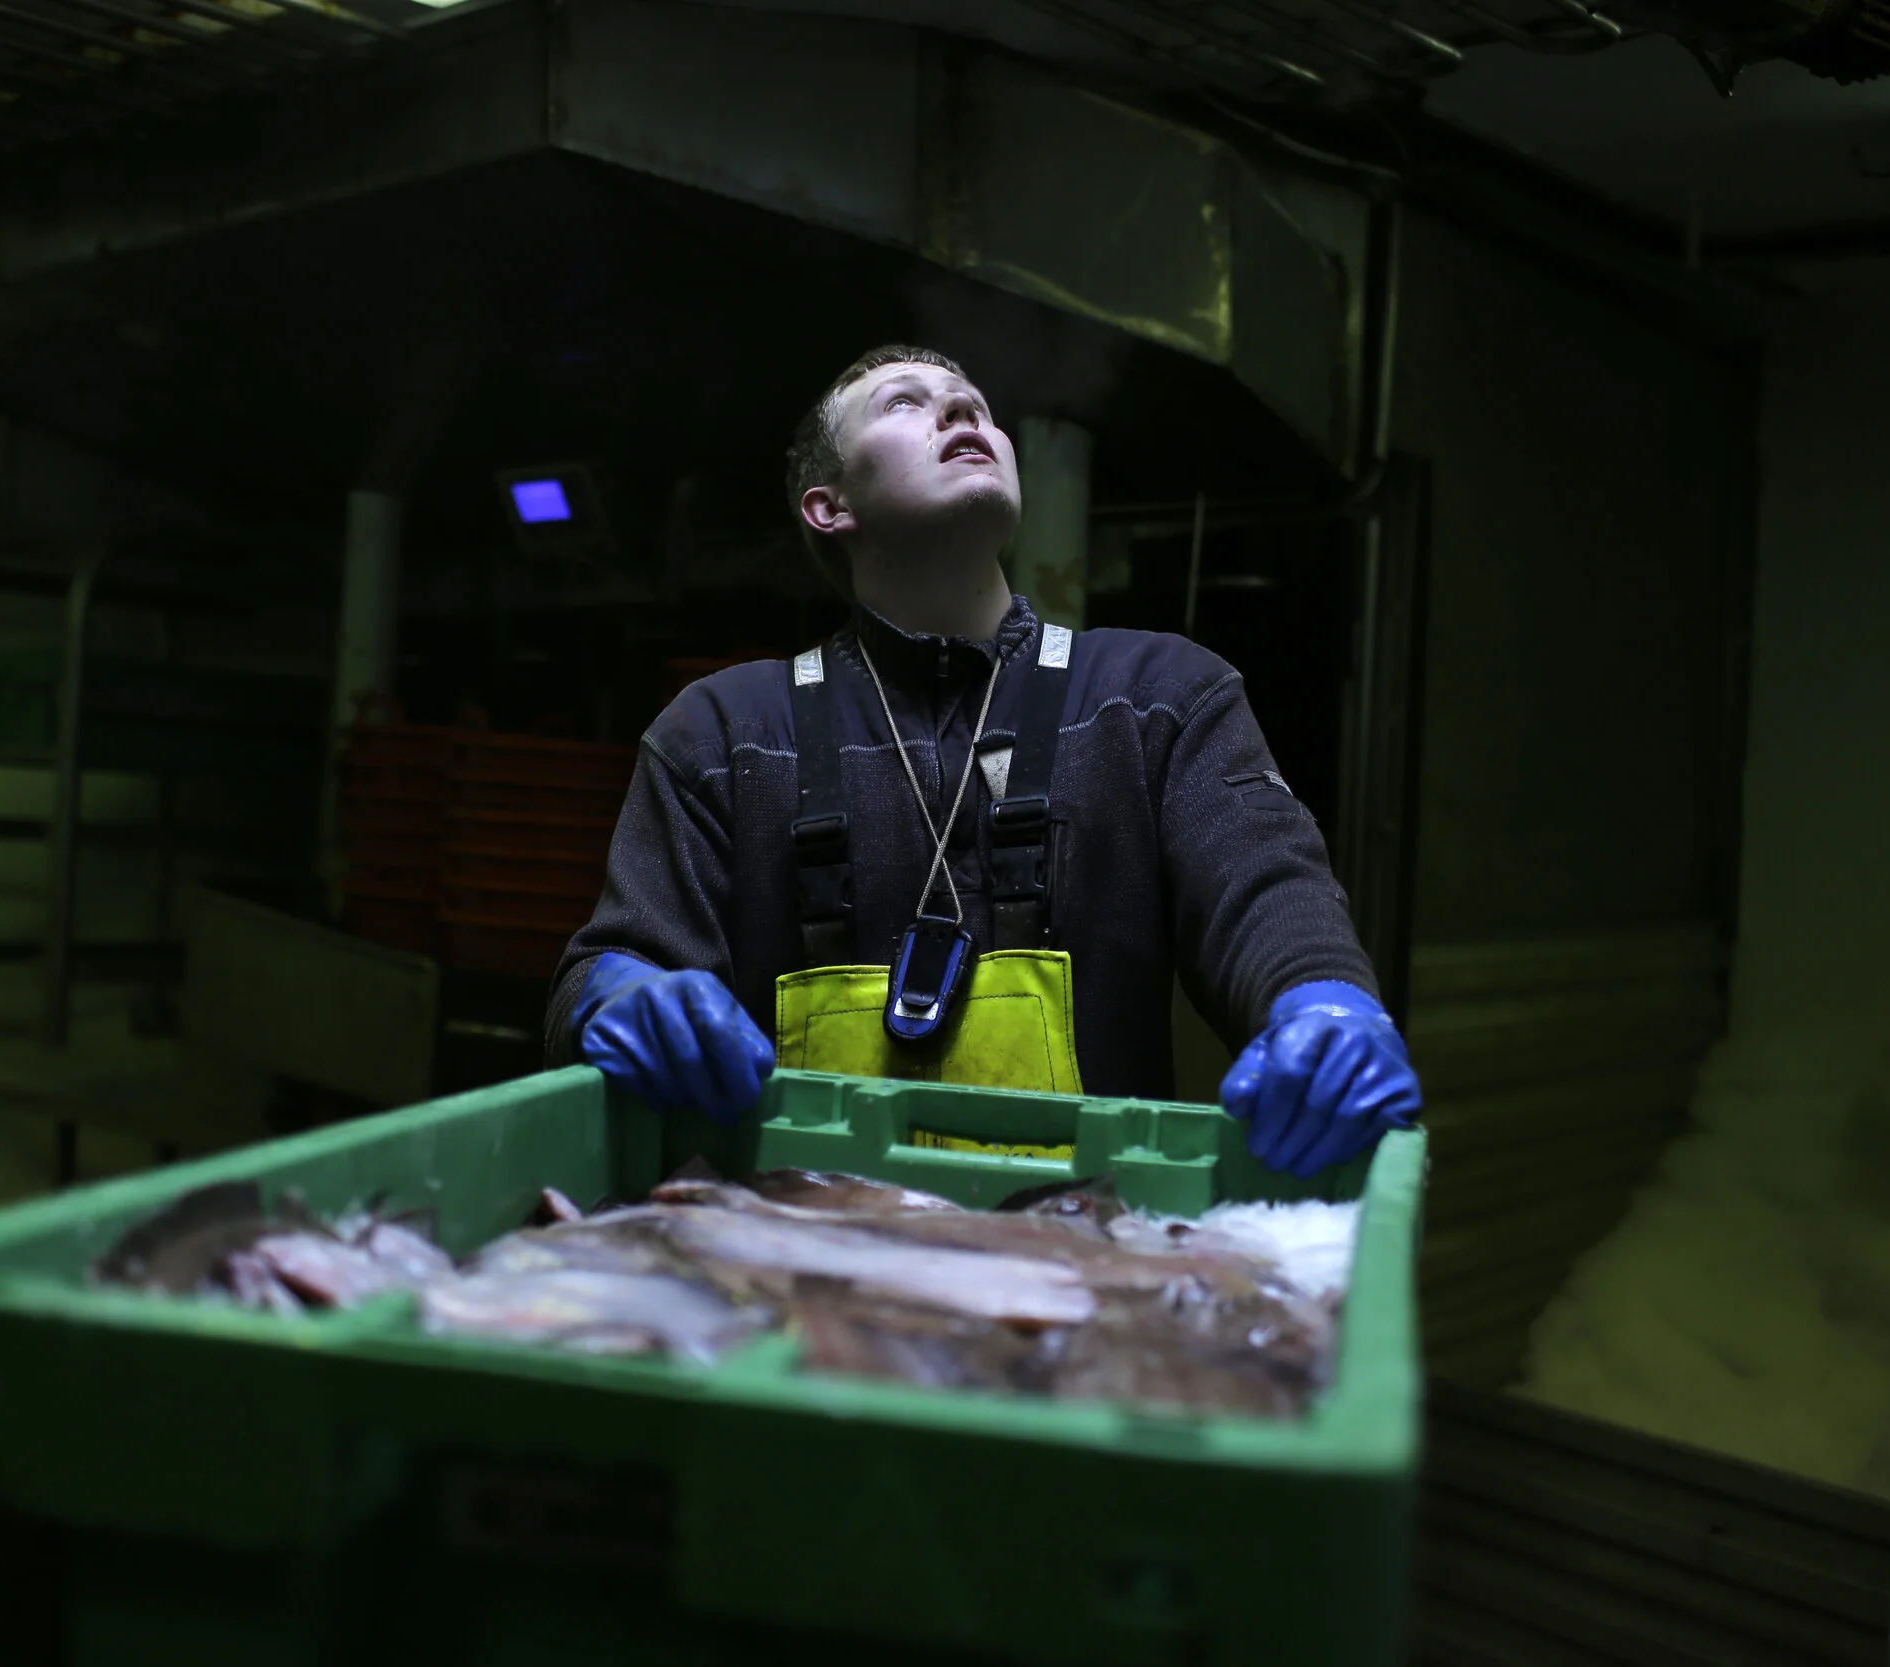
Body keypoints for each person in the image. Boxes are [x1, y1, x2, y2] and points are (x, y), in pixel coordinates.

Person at [545, 345, 1420, 1176]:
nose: (961, 406)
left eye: (974, 404)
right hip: (803, 1262)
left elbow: (1265, 886)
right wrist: (615, 996)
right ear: (829, 505)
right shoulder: (723, 732)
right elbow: (613, 959)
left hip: (1079, 1269)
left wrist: (1326, 1001)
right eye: (904, 402)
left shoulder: (1158, 697)